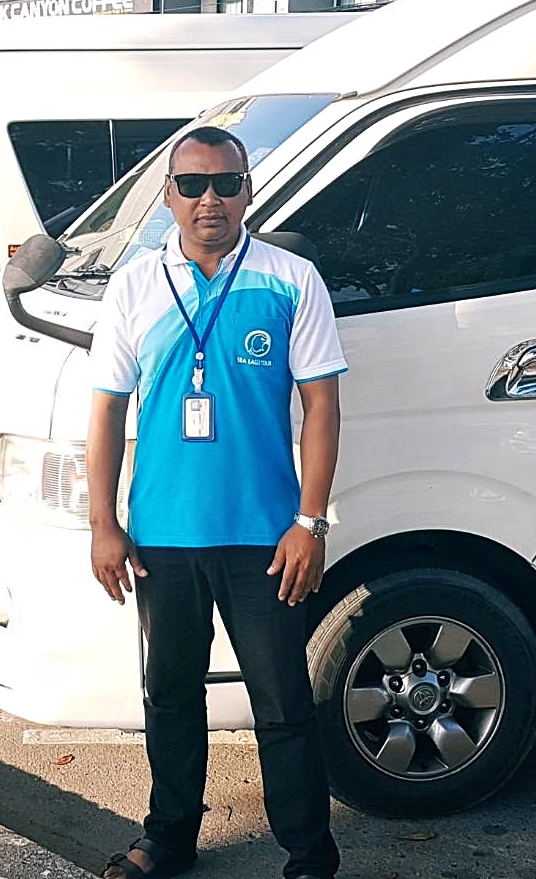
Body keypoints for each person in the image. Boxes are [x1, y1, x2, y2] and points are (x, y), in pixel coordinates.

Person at [86, 125, 347, 879]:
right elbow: (105, 411)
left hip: (265, 536)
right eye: (193, 184)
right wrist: (104, 524)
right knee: (169, 695)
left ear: (247, 190)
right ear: (168, 194)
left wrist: (309, 521)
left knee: (283, 705)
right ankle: (169, 838)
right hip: (162, 536)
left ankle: (307, 852)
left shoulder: (290, 278)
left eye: (226, 184)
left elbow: (321, 408)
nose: (210, 200)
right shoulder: (134, 286)